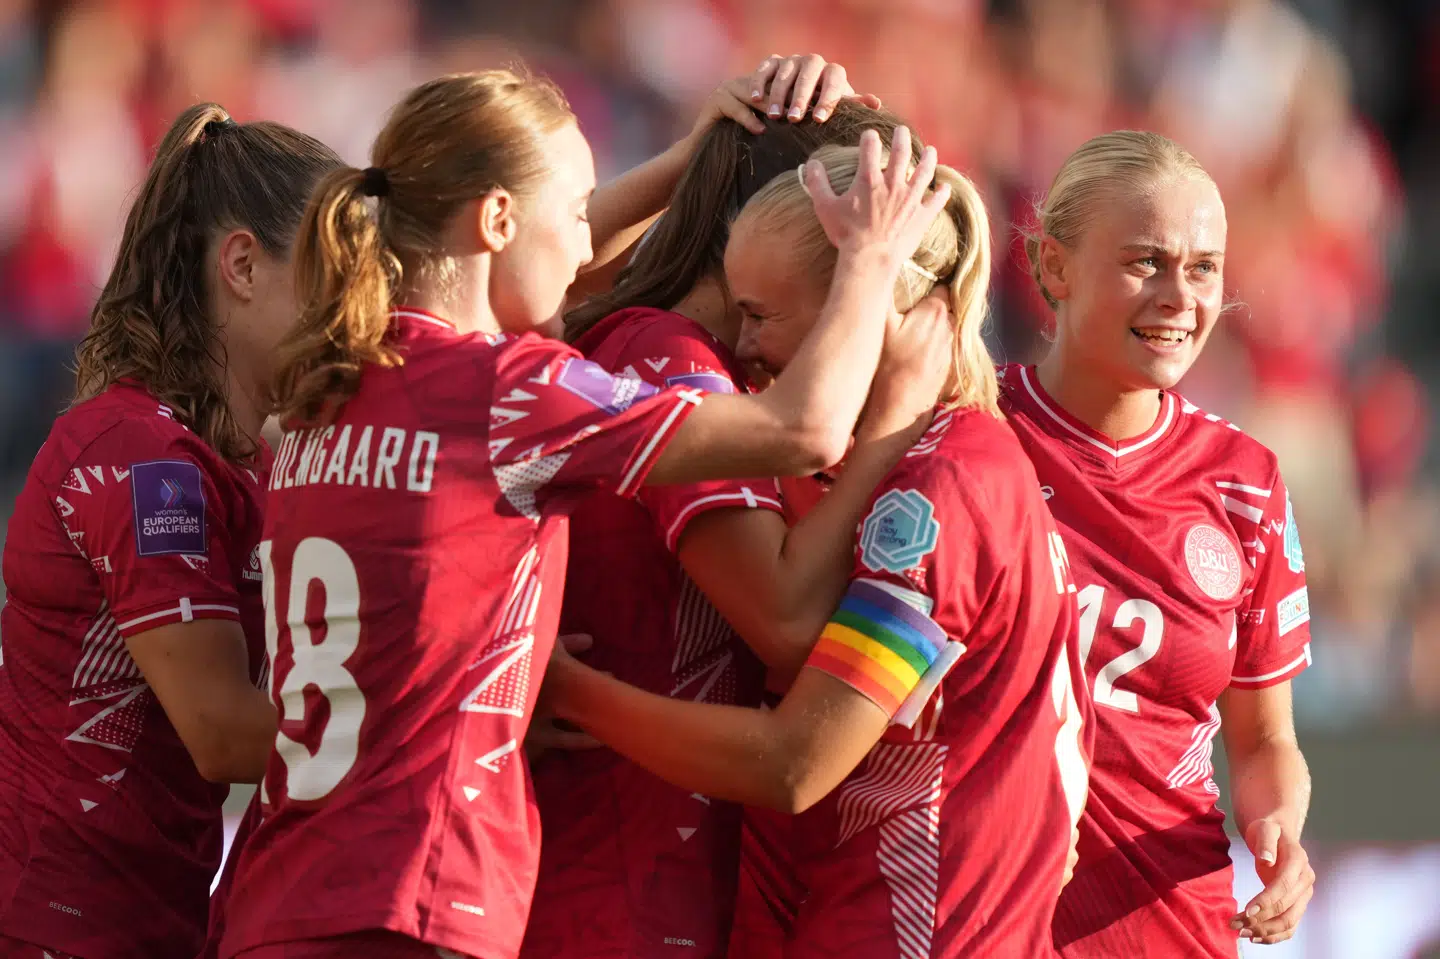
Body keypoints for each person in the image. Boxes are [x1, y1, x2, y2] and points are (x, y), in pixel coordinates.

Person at [215, 66, 948, 959]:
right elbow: (806, 426)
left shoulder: (320, 389)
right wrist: (870, 262)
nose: (591, 245)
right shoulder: (509, 390)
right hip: (420, 886)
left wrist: (694, 164)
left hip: (276, 890)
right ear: (495, 219)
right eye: (577, 211)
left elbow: (512, 264)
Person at [542, 143, 1091, 959]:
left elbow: (795, 764)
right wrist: (698, 153)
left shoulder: (940, 489)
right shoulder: (899, 465)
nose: (740, 345)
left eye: (761, 315)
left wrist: (563, 689)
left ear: (866, 303)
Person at [522, 96, 931, 959]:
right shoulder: (667, 354)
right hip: (610, 889)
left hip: (663, 882)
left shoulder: (715, 364)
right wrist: (896, 414)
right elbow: (783, 620)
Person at [0, 105, 343, 959]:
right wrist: (439, 720)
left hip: (149, 919)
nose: (357, 312)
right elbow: (224, 731)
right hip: (56, 923)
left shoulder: (237, 460)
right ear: (240, 266)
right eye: (334, 277)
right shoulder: (145, 457)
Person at [1004, 129, 1316, 954]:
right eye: (1147, 260)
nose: (1183, 295)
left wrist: (1279, 831)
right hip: (985, 923)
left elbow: (1263, 739)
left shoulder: (1246, 479)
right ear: (1053, 267)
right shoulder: (969, 435)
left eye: (1204, 267)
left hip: (1173, 929)